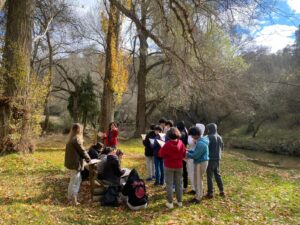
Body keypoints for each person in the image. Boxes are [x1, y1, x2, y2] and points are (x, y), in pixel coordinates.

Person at [159, 127, 187, 209]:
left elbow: (160, 154)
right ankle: (179, 201)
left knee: (169, 184)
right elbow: (184, 154)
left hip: (169, 166)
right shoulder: (181, 143)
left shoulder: (167, 144)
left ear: (168, 135)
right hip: (179, 166)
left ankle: (170, 202)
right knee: (179, 184)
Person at [64, 123, 91, 205]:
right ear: (79, 130)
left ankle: (70, 198)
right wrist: (89, 159)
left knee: (76, 180)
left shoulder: (71, 138)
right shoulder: (76, 139)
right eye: (81, 130)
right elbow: (82, 151)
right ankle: (73, 200)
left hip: (72, 162)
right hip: (75, 163)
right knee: (75, 181)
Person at [187, 126, 209, 203]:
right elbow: (196, 152)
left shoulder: (201, 143)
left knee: (198, 180)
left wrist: (186, 154)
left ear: (196, 134)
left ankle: (198, 198)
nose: (192, 137)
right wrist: (189, 151)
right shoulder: (201, 141)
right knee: (198, 179)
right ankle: (199, 194)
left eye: (192, 135)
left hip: (200, 162)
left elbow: (195, 155)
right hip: (201, 161)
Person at [206, 123, 225, 198]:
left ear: (210, 129)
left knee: (209, 176)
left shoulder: (209, 137)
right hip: (217, 159)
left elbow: (206, 148)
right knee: (217, 175)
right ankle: (221, 190)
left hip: (210, 159)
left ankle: (210, 193)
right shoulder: (220, 137)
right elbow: (222, 148)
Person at [176, 121, 188, 192]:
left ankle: (181, 187)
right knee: (184, 170)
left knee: (180, 171)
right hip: (184, 152)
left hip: (180, 153)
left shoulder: (180, 134)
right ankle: (185, 186)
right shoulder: (185, 131)